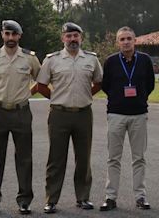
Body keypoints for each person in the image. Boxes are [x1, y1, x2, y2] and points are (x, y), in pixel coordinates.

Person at [35, 22, 102, 214]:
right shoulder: (52, 60)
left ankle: (83, 198)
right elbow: (41, 85)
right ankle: (51, 200)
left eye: (76, 36)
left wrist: (86, 95)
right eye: (69, 36)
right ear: (62, 38)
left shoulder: (91, 59)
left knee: (83, 158)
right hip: (59, 115)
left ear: (81, 38)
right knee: (56, 159)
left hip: (83, 114)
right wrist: (56, 99)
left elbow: (98, 81)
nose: (73, 39)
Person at [99, 27, 154, 211]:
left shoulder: (145, 60)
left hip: (138, 115)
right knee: (113, 158)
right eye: (122, 39)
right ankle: (110, 197)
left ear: (135, 40)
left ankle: (140, 196)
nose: (126, 42)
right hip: (116, 114)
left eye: (129, 38)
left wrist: (139, 99)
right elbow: (106, 85)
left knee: (139, 158)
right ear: (118, 42)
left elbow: (150, 85)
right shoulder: (111, 62)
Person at [0, 20, 40, 215]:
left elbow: (41, 80)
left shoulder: (30, 58)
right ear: (2, 34)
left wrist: (27, 94)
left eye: (14, 34)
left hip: (21, 112)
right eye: (7, 34)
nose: (10, 38)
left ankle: (24, 200)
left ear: (20, 36)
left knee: (24, 158)